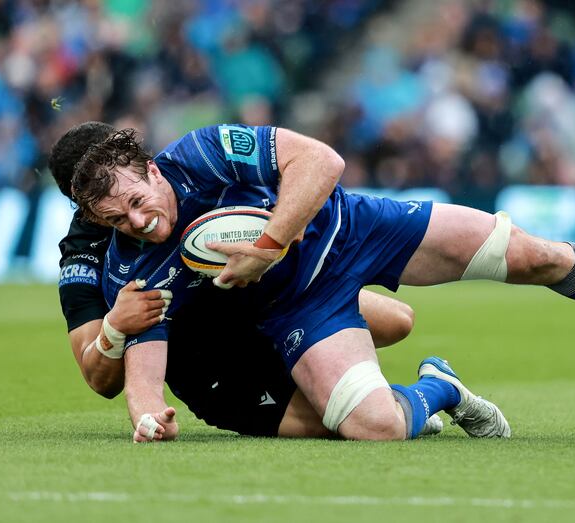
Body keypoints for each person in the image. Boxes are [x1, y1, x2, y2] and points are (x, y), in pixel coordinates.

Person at [73, 122, 575, 443]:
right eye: (116, 219)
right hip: (301, 308)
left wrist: (268, 244)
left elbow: (321, 161)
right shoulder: (132, 264)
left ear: (152, 171)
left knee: (537, 256)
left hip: (357, 228)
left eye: (137, 200)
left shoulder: (201, 152)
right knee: (375, 427)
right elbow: (144, 363)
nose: (138, 221)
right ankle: (442, 387)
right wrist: (146, 416)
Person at [50, 122, 443, 441]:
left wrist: (281, 225)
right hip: (206, 358)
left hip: (254, 297)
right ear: (82, 202)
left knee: (397, 321)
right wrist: (114, 328)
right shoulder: (84, 252)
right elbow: (99, 379)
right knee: (343, 424)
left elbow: (293, 171)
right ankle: (426, 395)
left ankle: (365, 385)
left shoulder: (176, 177)